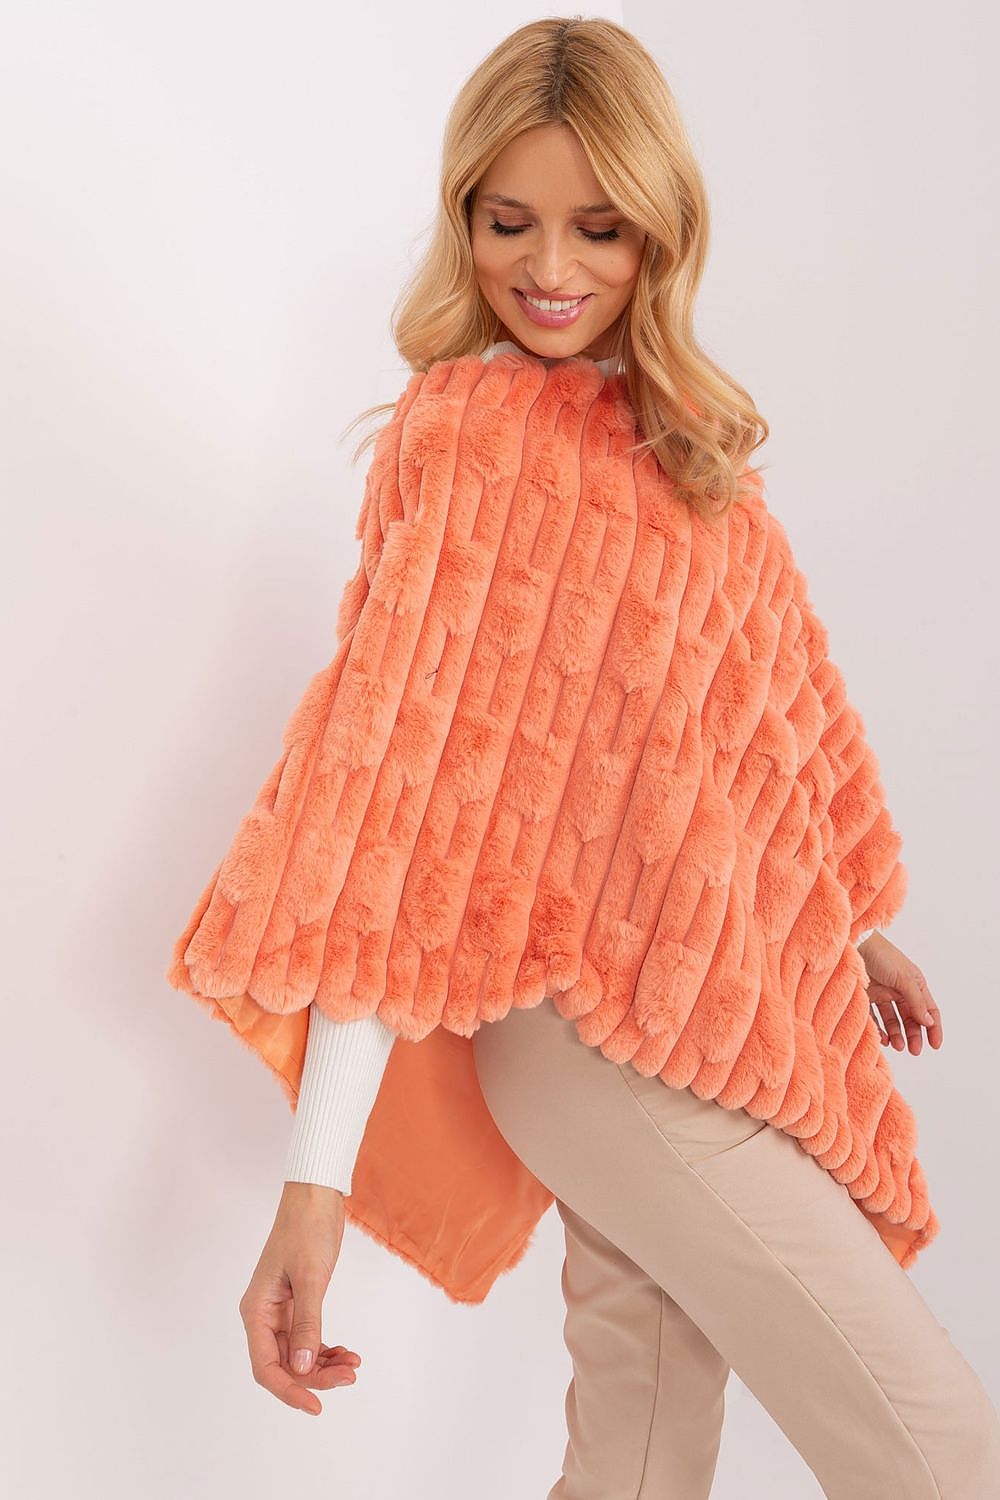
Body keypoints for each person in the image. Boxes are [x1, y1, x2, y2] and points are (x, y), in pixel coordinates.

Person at [214, 18, 998, 1497]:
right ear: (462, 219)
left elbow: (731, 730)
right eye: (508, 220)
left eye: (600, 228)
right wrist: (315, 1183)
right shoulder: (467, 441)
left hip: (705, 999)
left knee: (640, 1454)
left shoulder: (682, 442)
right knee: (943, 1450)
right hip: (593, 1036)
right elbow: (386, 807)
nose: (551, 268)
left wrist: (840, 919)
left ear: (660, 233)